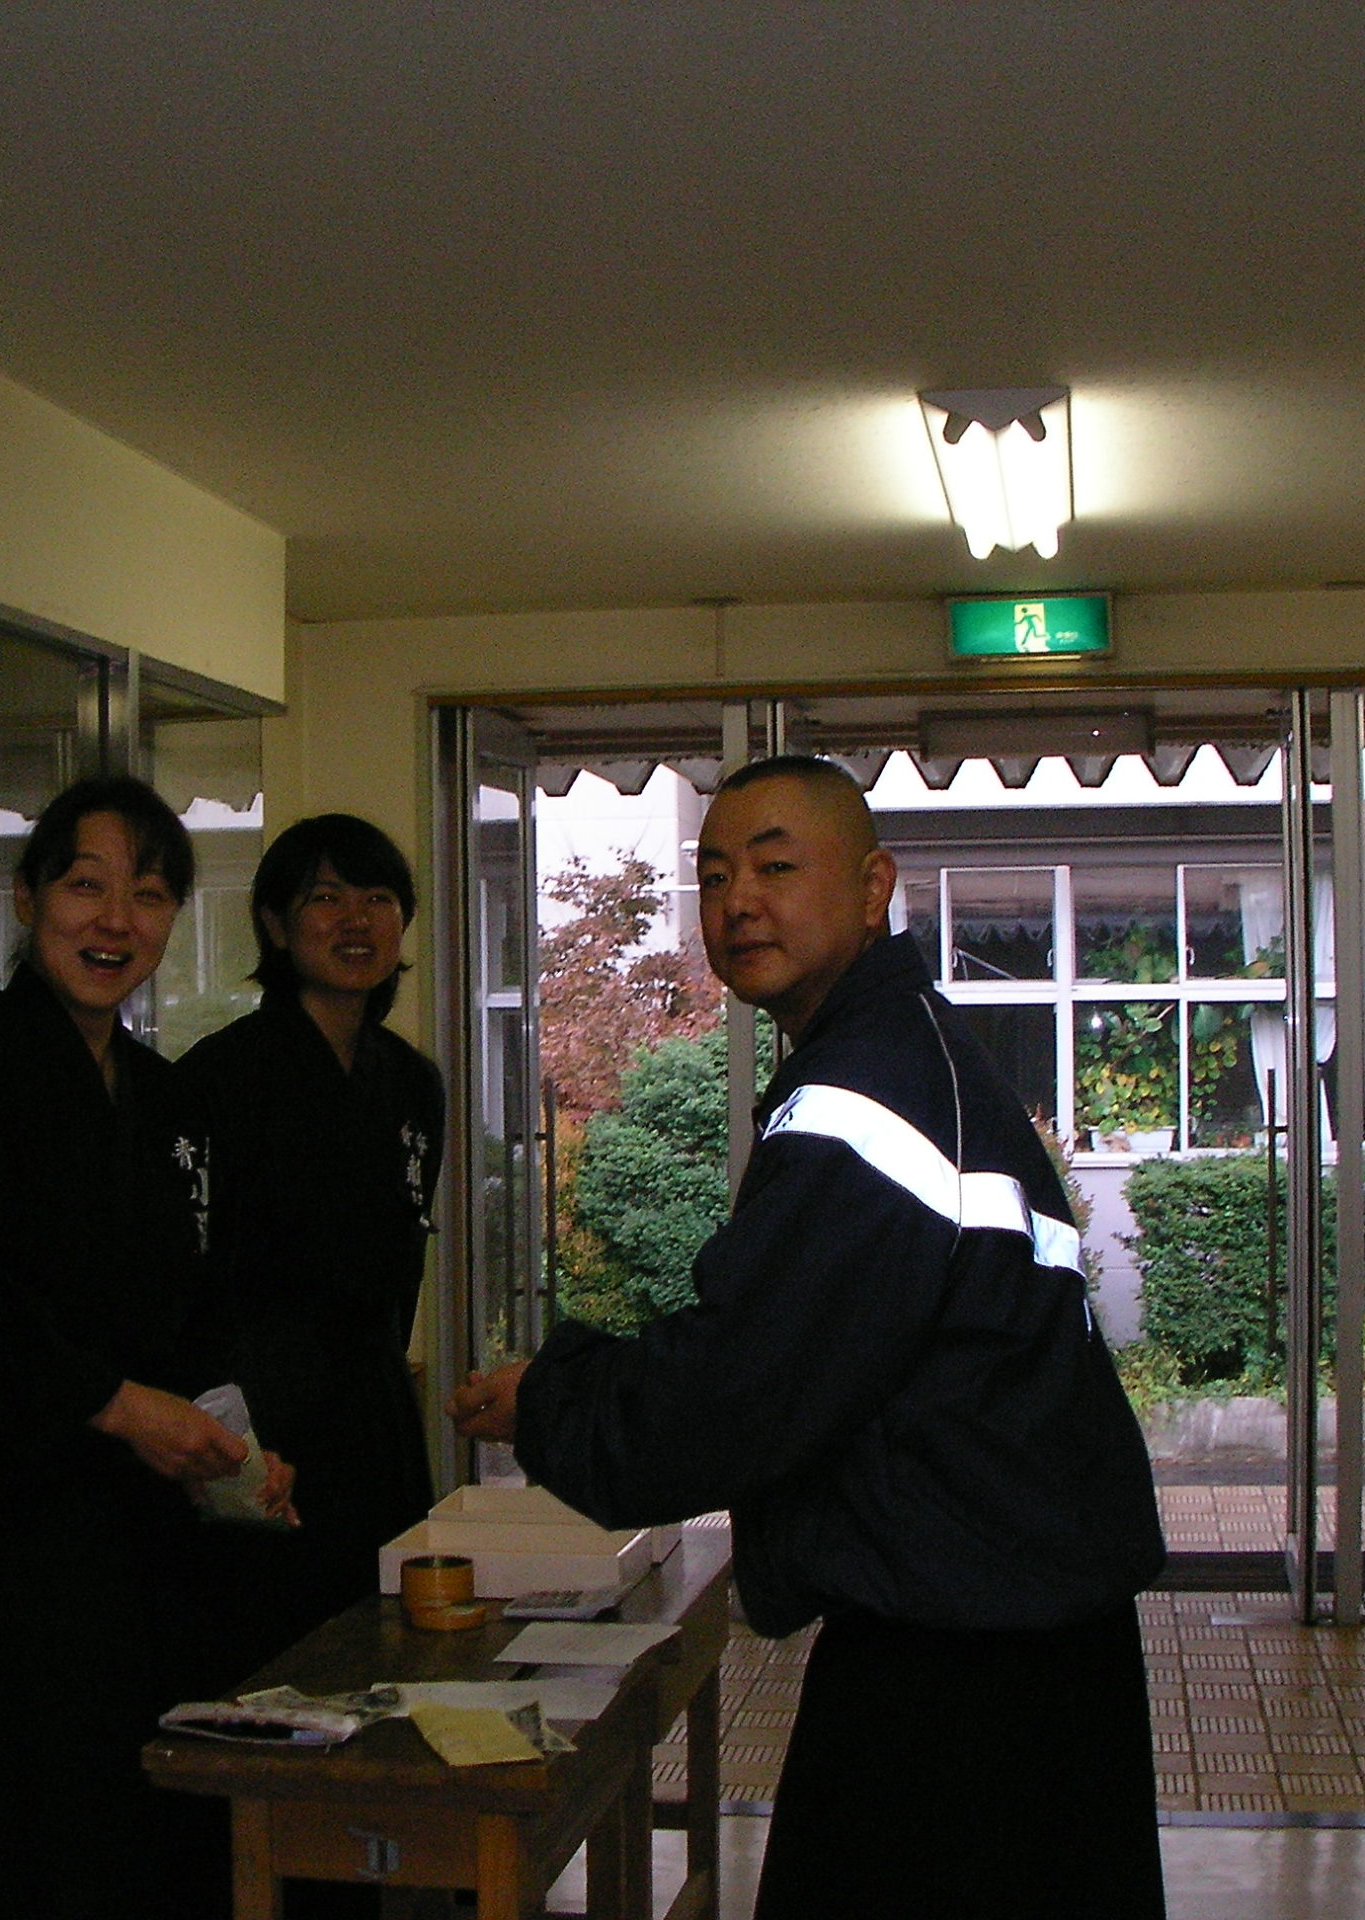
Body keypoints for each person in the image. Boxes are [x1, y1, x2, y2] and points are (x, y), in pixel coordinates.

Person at [452, 755, 1167, 1920]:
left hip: (967, 1676)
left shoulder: (865, 1099)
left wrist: (549, 1399)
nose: (737, 901)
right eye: (713, 875)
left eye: (776, 868)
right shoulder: (901, 1054)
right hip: (1009, 1630)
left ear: (873, 887)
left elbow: (742, 1386)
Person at [0, 774, 291, 1920]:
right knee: (1, 1857)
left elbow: (193, 1309)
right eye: (86, 886)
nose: (115, 921)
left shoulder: (165, 1103)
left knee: (133, 1844)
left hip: (123, 1555)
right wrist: (123, 1408)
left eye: (149, 896)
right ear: (25, 896)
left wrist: (232, 1443)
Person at [179, 814, 445, 1659]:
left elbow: (401, 1272)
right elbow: (188, 1282)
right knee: (271, 1667)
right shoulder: (215, 1081)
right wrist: (231, 1438)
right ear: (275, 923)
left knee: (386, 1655)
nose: (355, 920)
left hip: (376, 1422)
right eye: (326, 898)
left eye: (379, 899)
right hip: (259, 1433)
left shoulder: (411, 1083)